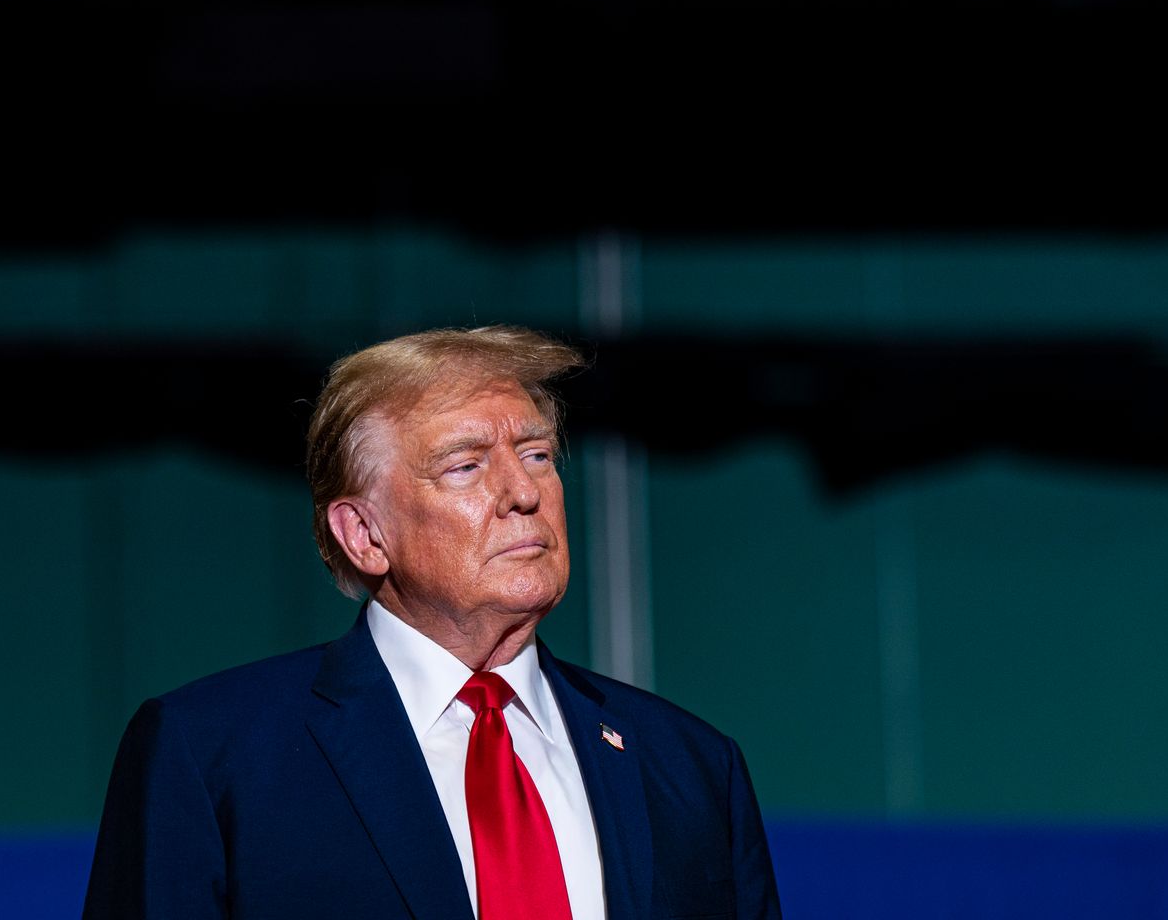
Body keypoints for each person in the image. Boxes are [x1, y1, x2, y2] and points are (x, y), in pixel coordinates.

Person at [83, 326, 781, 919]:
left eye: (536, 454)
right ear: (364, 534)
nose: (522, 492)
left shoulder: (689, 765)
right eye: (465, 466)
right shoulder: (211, 756)